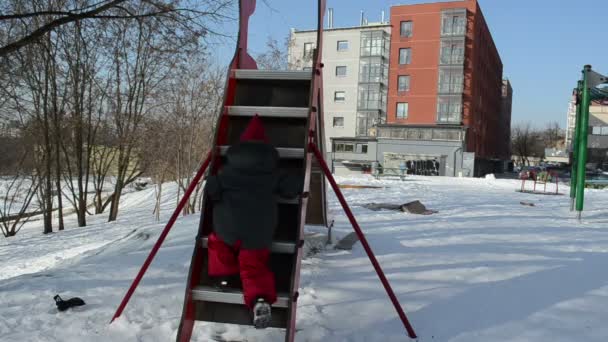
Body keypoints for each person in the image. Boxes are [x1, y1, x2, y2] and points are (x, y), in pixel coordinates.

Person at [204, 114, 301, 329]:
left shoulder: (225, 170)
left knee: (216, 243)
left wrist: (213, 185)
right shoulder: (272, 172)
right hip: (258, 232)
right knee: (253, 265)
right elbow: (291, 189)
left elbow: (213, 190)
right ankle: (260, 298)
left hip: (227, 227)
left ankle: (222, 277)